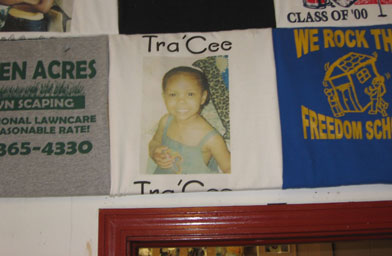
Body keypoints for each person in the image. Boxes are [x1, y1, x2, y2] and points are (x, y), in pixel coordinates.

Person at [149, 66, 231, 174]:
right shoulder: (165, 121)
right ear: (164, 97)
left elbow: (229, 169)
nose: (181, 101)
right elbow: (155, 142)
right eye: (173, 94)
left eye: (190, 94)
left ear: (203, 97)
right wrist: (155, 152)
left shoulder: (212, 139)